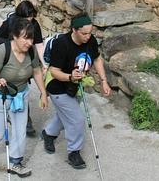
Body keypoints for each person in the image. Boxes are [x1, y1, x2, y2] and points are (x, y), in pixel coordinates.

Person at [0, 17, 48, 178]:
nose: (29, 42)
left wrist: (43, 93)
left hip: (19, 94)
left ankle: (16, 162)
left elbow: (36, 71)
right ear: (15, 36)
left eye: (31, 38)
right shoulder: (2, 51)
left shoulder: (31, 51)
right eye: (25, 38)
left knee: (19, 129)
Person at [41, 13, 111, 170]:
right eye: (84, 33)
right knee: (77, 119)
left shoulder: (90, 41)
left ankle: (49, 134)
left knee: (65, 114)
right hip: (57, 87)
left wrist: (104, 80)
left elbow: (97, 59)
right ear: (74, 30)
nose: (88, 37)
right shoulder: (61, 44)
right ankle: (74, 152)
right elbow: (54, 71)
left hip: (76, 85)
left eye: (90, 33)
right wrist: (70, 77)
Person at [0, 0, 45, 136]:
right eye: (27, 17)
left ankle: (26, 121)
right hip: (8, 63)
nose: (30, 20)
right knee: (8, 91)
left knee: (21, 89)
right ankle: (2, 118)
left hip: (25, 61)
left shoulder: (34, 24)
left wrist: (44, 63)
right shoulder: (10, 23)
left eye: (32, 17)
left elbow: (39, 45)